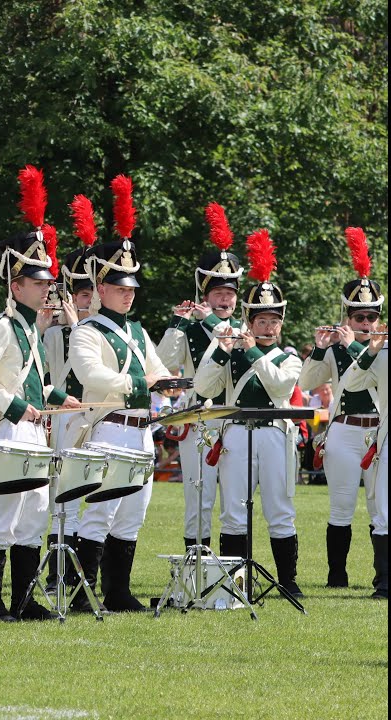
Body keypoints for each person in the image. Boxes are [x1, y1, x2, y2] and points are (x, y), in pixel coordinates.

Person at [0, 165, 81, 622]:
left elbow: (24, 380)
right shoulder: (1, 326)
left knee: (35, 515)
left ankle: (25, 599)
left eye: (48, 281)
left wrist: (52, 395)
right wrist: (17, 406)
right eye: (38, 281)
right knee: (3, 516)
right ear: (16, 286)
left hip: (32, 430)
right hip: (8, 430)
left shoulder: (30, 330)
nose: (48, 287)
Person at [68, 175, 176, 612]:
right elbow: (90, 375)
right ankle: (82, 592)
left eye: (132, 288)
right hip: (109, 427)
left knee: (134, 512)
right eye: (120, 288)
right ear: (102, 288)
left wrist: (170, 390)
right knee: (100, 511)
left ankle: (118, 590)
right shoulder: (87, 330)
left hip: (141, 431)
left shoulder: (138, 330)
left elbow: (158, 370)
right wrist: (142, 385)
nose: (128, 295)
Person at [195, 229, 305, 597]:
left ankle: (287, 580)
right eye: (260, 320)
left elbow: (280, 388)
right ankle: (235, 582)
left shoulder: (289, 356)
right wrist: (224, 351)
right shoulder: (230, 348)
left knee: (279, 507)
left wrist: (254, 353)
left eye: (273, 320)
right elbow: (205, 388)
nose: (268, 327)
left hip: (274, 432)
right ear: (249, 320)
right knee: (233, 511)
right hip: (238, 433)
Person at [297, 227, 385, 590]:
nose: (365, 324)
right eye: (358, 317)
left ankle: (383, 577)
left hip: (380, 430)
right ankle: (337, 576)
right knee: (341, 507)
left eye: (371, 317)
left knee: (382, 509)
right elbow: (304, 384)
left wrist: (355, 348)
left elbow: (366, 379)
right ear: (347, 317)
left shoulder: (381, 347)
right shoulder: (337, 347)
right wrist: (321, 348)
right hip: (346, 430)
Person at [156, 202, 247, 552]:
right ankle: (197, 567)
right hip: (199, 420)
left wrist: (207, 320)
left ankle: (232, 570)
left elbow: (229, 338)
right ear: (205, 296)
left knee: (236, 501)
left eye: (229, 294)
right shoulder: (191, 328)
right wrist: (178, 323)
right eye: (218, 294)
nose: (224, 299)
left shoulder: (245, 328)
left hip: (236, 420)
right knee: (199, 498)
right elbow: (164, 366)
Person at [41, 191, 98, 597]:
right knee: (64, 501)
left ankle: (88, 576)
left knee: (97, 499)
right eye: (81, 293)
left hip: (100, 416)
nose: (88, 300)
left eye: (93, 292)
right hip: (68, 418)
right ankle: (59, 575)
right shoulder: (58, 333)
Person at [340, 325, 387, 599]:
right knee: (384, 512)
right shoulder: (383, 351)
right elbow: (352, 383)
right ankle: (385, 584)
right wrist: (370, 351)